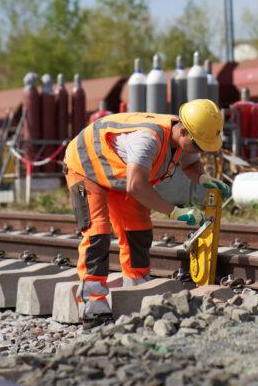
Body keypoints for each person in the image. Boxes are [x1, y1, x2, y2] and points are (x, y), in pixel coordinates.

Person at [62, 99, 230, 326]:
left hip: (117, 173)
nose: (200, 151)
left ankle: (137, 286)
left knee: (137, 228)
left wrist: (202, 177)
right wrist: (173, 212)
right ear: (183, 131)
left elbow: (190, 165)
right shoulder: (147, 140)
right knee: (97, 231)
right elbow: (136, 186)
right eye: (199, 146)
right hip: (86, 166)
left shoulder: (184, 137)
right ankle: (92, 303)